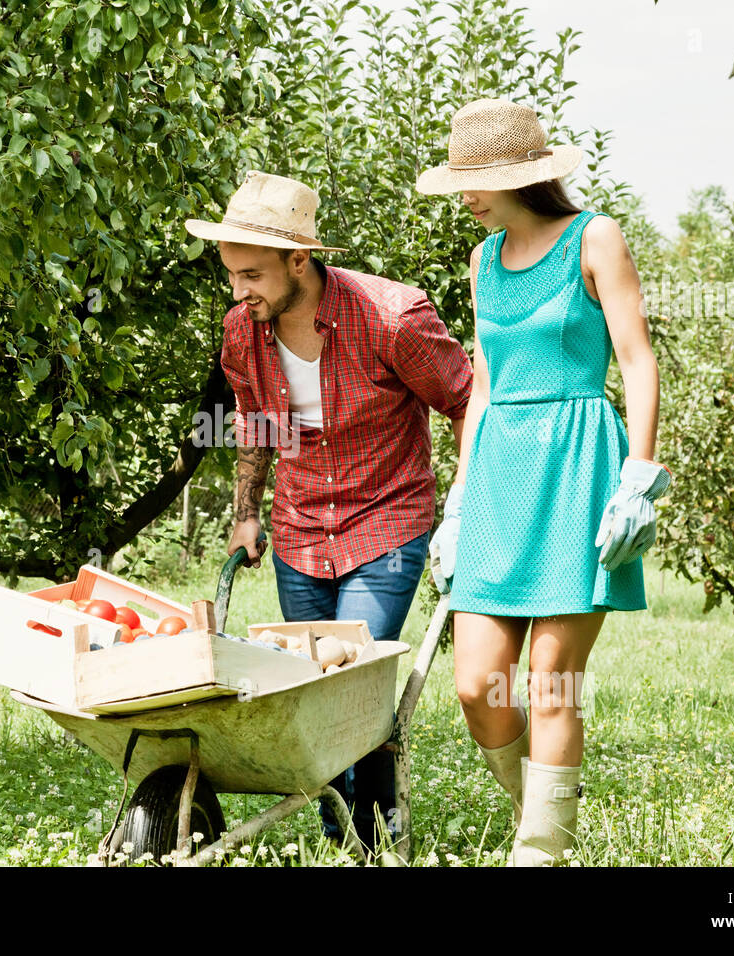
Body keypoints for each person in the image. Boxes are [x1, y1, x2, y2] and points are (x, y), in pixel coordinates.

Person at [186, 170, 473, 856]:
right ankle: (338, 835)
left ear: (299, 258)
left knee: (352, 680)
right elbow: (254, 422)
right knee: (307, 694)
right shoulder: (241, 331)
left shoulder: (391, 317)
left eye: (250, 274)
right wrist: (246, 513)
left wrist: (465, 502)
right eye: (230, 275)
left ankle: (375, 840)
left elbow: (466, 400)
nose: (238, 291)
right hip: (300, 529)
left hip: (387, 523)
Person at [416, 99, 672, 866]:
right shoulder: (482, 259)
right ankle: (546, 810)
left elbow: (637, 359)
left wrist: (639, 479)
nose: (463, 195)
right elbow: (485, 385)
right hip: (500, 471)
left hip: (579, 463)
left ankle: (541, 852)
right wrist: (460, 500)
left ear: (517, 177)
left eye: (474, 181)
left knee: (553, 678)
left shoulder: (594, 237)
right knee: (476, 685)